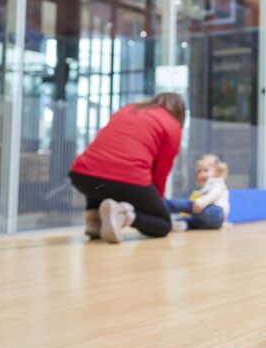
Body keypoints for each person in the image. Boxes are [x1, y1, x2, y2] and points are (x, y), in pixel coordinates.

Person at [68, 93, 184, 242]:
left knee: (102, 176)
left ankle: (94, 219)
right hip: (127, 179)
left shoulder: (129, 109)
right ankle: (123, 215)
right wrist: (156, 202)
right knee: (163, 224)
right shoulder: (172, 125)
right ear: (180, 112)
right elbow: (162, 171)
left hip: (81, 175)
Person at [166, 154, 230, 231]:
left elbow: (213, 195)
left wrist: (200, 202)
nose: (201, 174)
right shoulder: (207, 186)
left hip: (215, 213)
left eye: (206, 170)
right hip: (213, 223)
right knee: (191, 220)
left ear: (217, 172)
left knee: (188, 205)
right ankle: (180, 224)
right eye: (199, 171)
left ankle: (165, 204)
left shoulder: (218, 182)